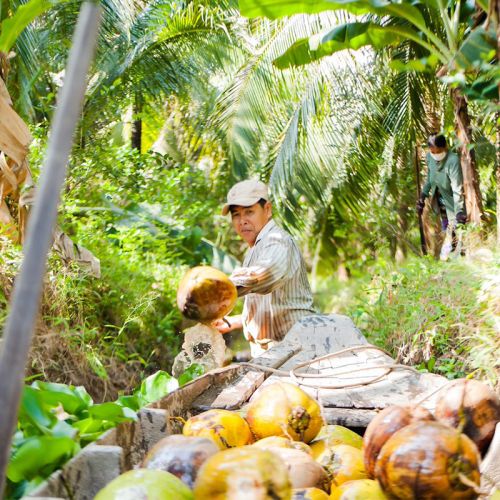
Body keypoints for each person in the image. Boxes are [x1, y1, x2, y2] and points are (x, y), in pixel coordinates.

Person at [212, 179, 315, 357]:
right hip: (273, 354)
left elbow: (265, 274)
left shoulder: (277, 241)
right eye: (236, 215)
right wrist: (235, 321)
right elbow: (270, 306)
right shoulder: (256, 248)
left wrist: (222, 288)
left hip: (294, 351)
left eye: (249, 212)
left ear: (267, 209)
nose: (242, 221)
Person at [417, 134, 467, 259]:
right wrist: (422, 196)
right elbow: (429, 178)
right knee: (449, 230)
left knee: (457, 227)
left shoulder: (453, 160)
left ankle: (462, 256)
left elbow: (457, 187)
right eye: (433, 151)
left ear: (444, 147)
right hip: (439, 199)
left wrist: (460, 210)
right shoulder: (429, 157)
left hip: (453, 200)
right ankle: (455, 256)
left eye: (438, 151)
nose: (435, 154)